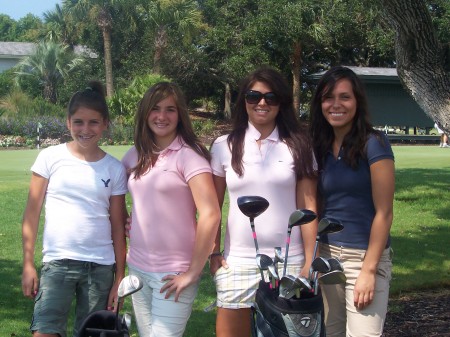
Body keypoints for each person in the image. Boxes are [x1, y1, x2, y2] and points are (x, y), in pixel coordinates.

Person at [209, 66, 318, 337]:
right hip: (237, 261)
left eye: (270, 97)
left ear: (281, 103)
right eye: (253, 96)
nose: (261, 103)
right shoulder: (224, 145)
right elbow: (212, 206)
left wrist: (308, 261)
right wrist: (213, 253)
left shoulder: (299, 144)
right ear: (243, 100)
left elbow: (308, 206)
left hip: (289, 261)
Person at [21, 81, 127, 337]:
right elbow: (31, 214)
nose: (85, 129)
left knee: (91, 333)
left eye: (93, 122)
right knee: (44, 331)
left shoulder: (114, 168)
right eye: (79, 122)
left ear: (105, 124)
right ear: (68, 122)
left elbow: (117, 226)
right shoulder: (50, 158)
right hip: (58, 263)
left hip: (99, 268)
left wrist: (120, 279)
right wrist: (28, 263)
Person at [121, 82, 220, 337]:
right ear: (145, 113)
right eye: (155, 109)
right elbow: (115, 198)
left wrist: (192, 272)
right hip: (139, 267)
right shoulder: (134, 156)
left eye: (170, 110)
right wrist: (126, 219)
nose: (161, 116)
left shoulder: (189, 157)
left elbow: (211, 214)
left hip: (175, 272)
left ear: (180, 115)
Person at [309, 66, 395, 337]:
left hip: (364, 258)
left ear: (357, 101)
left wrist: (369, 270)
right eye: (328, 97)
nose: (336, 105)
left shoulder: (375, 143)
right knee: (332, 332)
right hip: (327, 255)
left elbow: (384, 212)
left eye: (344, 97)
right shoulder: (318, 147)